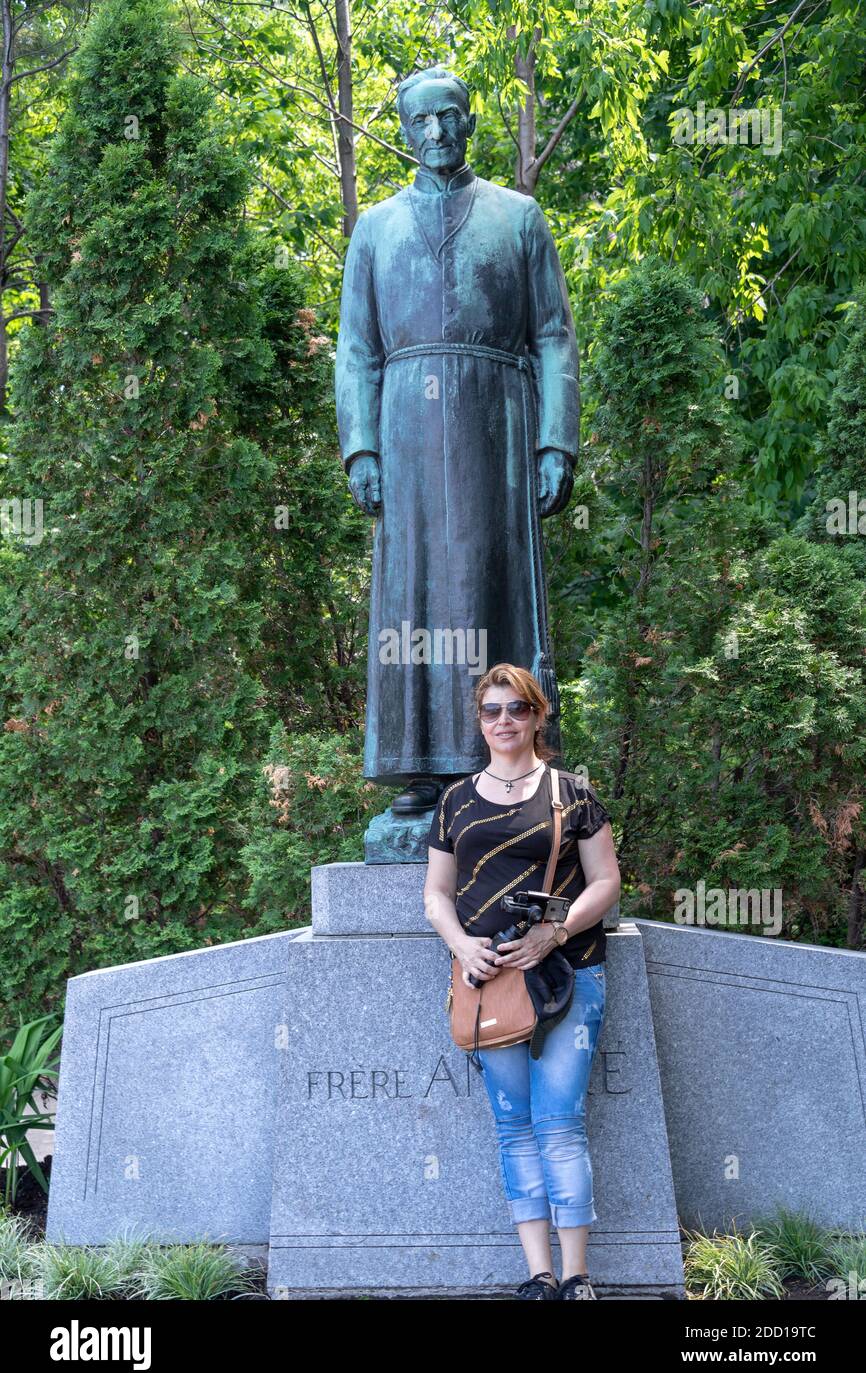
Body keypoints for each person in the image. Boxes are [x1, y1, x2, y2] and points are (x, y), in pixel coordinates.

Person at [334, 66, 579, 815]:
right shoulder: (374, 228)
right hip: (406, 434)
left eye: (448, 118)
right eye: (419, 122)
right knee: (416, 593)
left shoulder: (518, 218)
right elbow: (355, 351)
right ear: (404, 131)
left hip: (495, 429)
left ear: (470, 121)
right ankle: (419, 768)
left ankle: (497, 763)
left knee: (487, 584)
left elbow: (554, 339)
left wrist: (554, 443)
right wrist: (362, 446)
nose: (435, 133)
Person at [423, 662, 621, 1300]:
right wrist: (461, 948)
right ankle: (537, 1276)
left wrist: (553, 934)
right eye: (491, 711)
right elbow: (435, 894)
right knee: (512, 1124)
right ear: (479, 723)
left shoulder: (572, 794)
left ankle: (576, 1279)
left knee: (560, 1120)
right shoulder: (455, 801)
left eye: (516, 709)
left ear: (537, 716)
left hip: (567, 974)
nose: (503, 721)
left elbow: (606, 884)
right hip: (488, 983)